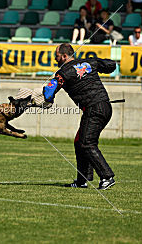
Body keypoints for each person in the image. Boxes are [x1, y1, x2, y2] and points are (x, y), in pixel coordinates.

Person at [42, 43, 117, 190]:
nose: (55, 58)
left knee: (86, 143)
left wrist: (47, 99)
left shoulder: (63, 72)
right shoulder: (89, 62)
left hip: (94, 108)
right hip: (104, 107)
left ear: (64, 56)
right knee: (79, 142)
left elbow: (49, 92)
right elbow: (111, 65)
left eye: (56, 55)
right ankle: (82, 180)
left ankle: (107, 177)